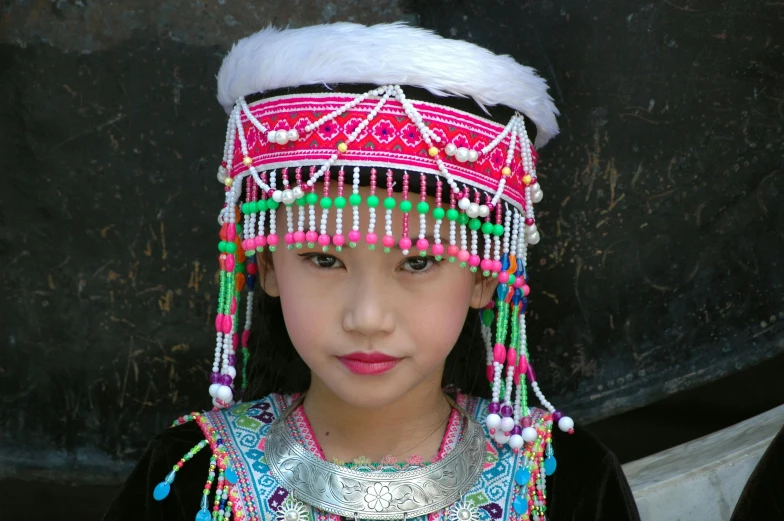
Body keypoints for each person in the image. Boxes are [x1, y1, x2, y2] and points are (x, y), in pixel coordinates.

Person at [102, 22, 640, 521]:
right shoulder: (192, 475)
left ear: (484, 276)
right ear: (267, 264)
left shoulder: (568, 481)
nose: (367, 318)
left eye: (418, 262)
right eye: (323, 259)